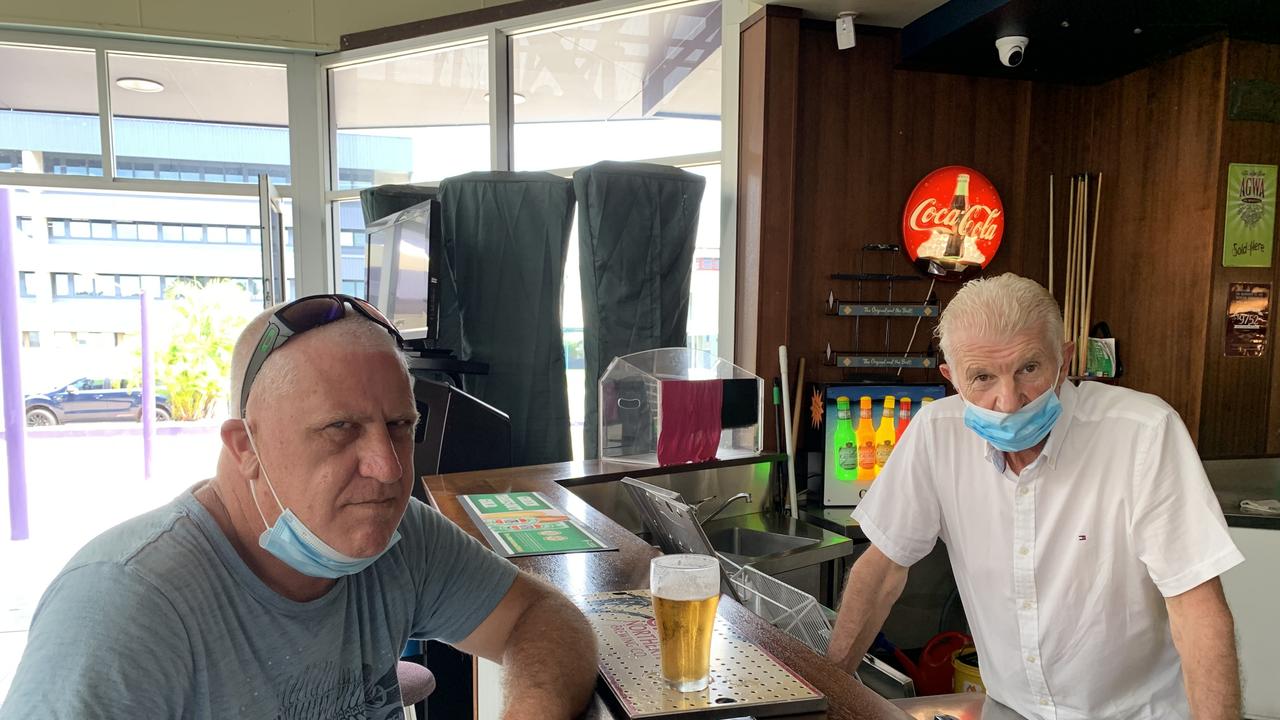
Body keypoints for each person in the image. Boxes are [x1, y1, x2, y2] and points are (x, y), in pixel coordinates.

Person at [1, 294, 599, 720]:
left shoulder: (398, 538)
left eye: (400, 426)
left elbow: (542, 620)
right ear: (245, 448)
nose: (388, 469)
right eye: (340, 428)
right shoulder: (124, 607)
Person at [828, 274, 1242, 720]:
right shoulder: (935, 436)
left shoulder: (1143, 434)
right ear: (952, 380)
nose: (1009, 401)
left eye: (1028, 369)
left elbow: (1197, 612)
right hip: (1011, 710)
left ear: (1063, 361)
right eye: (982, 377)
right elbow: (882, 572)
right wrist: (828, 696)